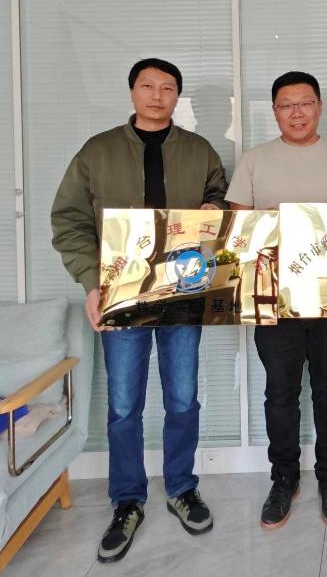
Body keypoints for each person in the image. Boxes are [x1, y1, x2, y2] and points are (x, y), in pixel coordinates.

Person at [51, 58, 226, 563]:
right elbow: (68, 219)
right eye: (147, 86)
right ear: (132, 91)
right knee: (124, 405)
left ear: (177, 97)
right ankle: (127, 500)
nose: (156, 95)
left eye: (167, 88)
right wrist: (93, 283)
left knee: (183, 398)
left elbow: (220, 201)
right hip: (121, 291)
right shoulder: (98, 151)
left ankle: (182, 487)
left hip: (184, 290)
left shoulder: (199, 150)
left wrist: (216, 209)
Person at [226, 71, 327, 529]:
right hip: (273, 298)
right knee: (280, 392)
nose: (297, 112)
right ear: (274, 111)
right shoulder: (253, 162)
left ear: (320, 106)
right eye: (287, 105)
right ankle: (283, 478)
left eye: (305, 103)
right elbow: (238, 235)